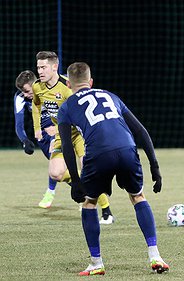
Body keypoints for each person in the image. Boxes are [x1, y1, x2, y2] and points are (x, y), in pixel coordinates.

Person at [58, 62, 169, 275]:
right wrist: (155, 167)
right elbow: (141, 131)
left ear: (69, 84)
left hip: (98, 153)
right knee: (138, 196)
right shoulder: (111, 96)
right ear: (91, 82)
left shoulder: (67, 106)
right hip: (127, 148)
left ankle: (96, 263)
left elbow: (67, 146)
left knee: (89, 203)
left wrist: (75, 181)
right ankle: (155, 256)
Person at [32, 51, 114, 224]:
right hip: (62, 135)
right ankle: (81, 183)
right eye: (38, 67)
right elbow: (36, 105)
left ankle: (107, 211)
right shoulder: (37, 87)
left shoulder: (67, 87)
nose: (40, 71)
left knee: (89, 170)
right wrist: (38, 128)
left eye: (43, 67)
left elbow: (81, 111)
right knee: (55, 173)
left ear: (55, 67)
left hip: (80, 134)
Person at [14, 70, 59, 208]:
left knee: (56, 159)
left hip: (59, 129)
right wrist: (25, 140)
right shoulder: (20, 97)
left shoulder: (50, 88)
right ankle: (82, 192)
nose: (26, 95)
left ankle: (50, 192)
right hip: (42, 135)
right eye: (23, 92)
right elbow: (19, 125)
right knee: (58, 171)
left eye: (28, 91)